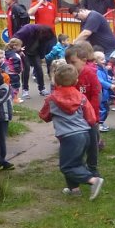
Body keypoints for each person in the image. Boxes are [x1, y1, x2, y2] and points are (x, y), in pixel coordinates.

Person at [39, 63, 104, 200]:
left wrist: (54, 114)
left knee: (67, 166)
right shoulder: (82, 97)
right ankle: (74, 189)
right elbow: (91, 118)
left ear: (55, 80)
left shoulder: (52, 99)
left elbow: (44, 116)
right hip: (85, 134)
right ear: (76, 81)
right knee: (76, 162)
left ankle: (92, 180)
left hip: (69, 137)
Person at [65, 42, 102, 178]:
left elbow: (95, 94)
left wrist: (93, 115)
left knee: (93, 142)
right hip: (75, 117)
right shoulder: (68, 75)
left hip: (90, 116)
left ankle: (92, 167)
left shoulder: (89, 73)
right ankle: (79, 166)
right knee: (79, 143)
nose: (70, 66)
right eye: (68, 62)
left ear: (84, 61)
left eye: (73, 62)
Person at [13, 23, 57, 98]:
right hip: (24, 51)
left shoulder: (44, 36)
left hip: (35, 52)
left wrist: (42, 56)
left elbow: (43, 46)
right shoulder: (28, 29)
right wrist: (18, 50)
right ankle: (25, 90)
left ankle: (42, 88)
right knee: (26, 68)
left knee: (39, 68)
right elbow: (16, 38)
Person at [93, 51, 113, 132]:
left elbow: (106, 78)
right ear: (95, 61)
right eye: (102, 59)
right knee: (102, 109)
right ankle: (99, 124)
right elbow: (100, 81)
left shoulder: (103, 68)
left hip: (105, 93)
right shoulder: (97, 70)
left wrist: (112, 80)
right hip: (101, 93)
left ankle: (101, 122)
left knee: (106, 109)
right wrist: (110, 85)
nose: (104, 61)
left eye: (104, 59)